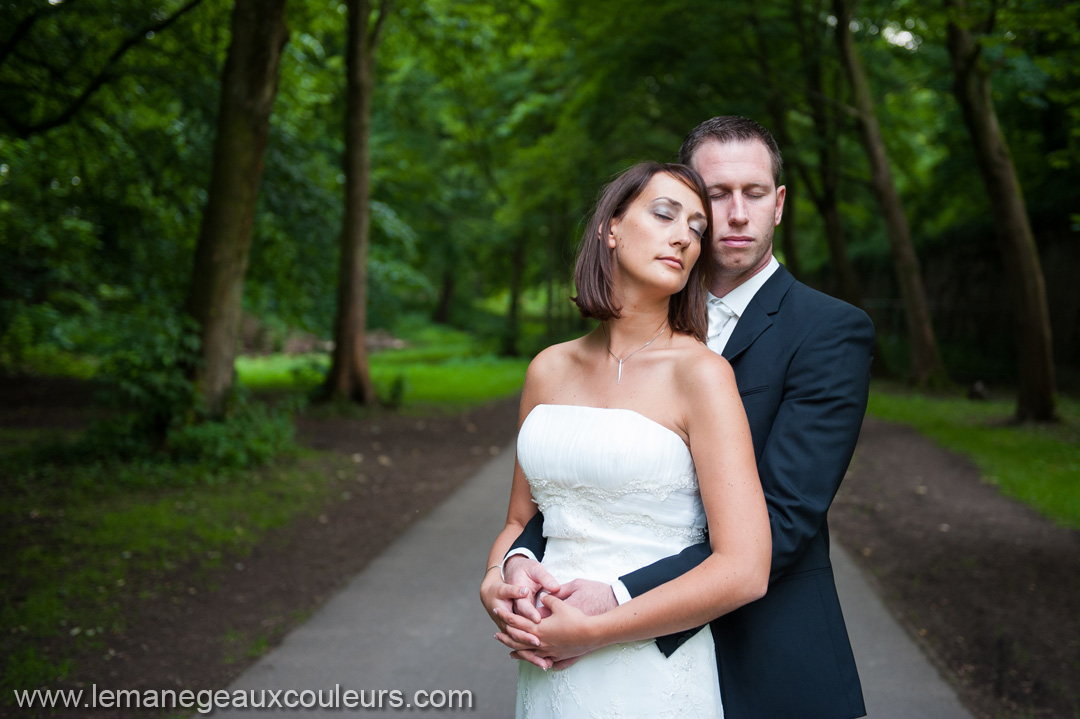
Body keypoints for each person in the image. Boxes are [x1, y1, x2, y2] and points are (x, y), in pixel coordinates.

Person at [485, 116, 875, 719]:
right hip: (575, 654)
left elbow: (783, 521)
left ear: (779, 204)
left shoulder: (828, 332)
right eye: (715, 196)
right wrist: (511, 569)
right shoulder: (583, 355)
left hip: (763, 650)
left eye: (753, 193)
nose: (735, 215)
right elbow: (566, 494)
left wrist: (612, 601)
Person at [481, 161, 772, 718]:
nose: (685, 236)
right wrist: (500, 579)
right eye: (665, 214)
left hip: (652, 668)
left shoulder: (702, 375)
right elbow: (521, 523)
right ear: (609, 228)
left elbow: (744, 567)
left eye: (696, 228)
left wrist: (596, 629)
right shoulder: (548, 369)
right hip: (545, 662)